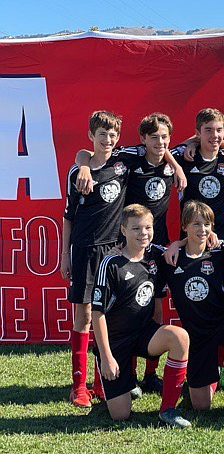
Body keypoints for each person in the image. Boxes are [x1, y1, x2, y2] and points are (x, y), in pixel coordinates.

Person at [74, 113, 187, 395]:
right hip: (128, 244)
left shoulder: (175, 159)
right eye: (154, 138)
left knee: (155, 305)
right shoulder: (130, 158)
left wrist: (176, 165)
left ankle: (151, 374)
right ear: (142, 140)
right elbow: (87, 152)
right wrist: (85, 168)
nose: (160, 142)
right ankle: (119, 375)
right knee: (120, 309)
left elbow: (196, 140)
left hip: (157, 245)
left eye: (164, 137)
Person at [157, 201, 224, 424]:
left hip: (223, 323)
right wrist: (177, 243)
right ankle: (208, 378)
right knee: (201, 406)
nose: (202, 230)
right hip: (197, 335)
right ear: (185, 226)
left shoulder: (220, 252)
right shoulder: (170, 258)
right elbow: (142, 250)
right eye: (196, 224)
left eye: (207, 224)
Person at [92, 204, 191, 427]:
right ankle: (123, 383)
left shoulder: (155, 253)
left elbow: (188, 244)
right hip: (116, 342)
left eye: (147, 227)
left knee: (179, 337)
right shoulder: (111, 262)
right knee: (121, 415)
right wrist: (107, 357)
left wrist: (179, 242)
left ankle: (168, 410)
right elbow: (96, 313)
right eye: (136, 228)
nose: (143, 233)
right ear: (123, 230)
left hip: (144, 334)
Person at [61, 111, 130, 408]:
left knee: (110, 316)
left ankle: (103, 382)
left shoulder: (124, 164)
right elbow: (68, 218)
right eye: (102, 134)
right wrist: (65, 254)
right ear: (91, 136)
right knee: (84, 315)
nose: (108, 139)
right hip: (85, 249)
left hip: (114, 250)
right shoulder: (77, 173)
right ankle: (79, 385)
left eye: (113, 134)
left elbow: (161, 147)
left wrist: (177, 167)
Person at [172, 108, 224, 240]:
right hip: (192, 239)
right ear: (198, 133)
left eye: (219, 130)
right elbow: (161, 151)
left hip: (223, 237)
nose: (215, 135)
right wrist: (190, 144)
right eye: (208, 130)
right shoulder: (185, 158)